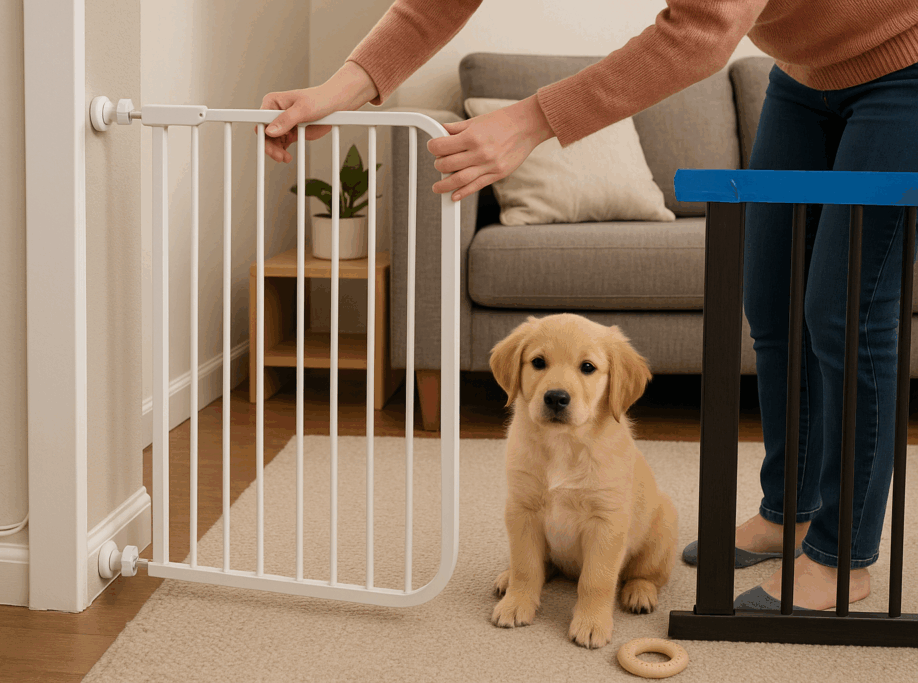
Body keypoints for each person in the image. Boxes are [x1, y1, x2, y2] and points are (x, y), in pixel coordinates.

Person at [257, 0, 918, 612]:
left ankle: (841, 554)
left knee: (844, 312)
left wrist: (528, 122)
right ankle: (791, 509)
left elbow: (702, 28)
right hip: (803, 75)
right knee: (771, 304)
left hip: (903, 63)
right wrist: (341, 88)